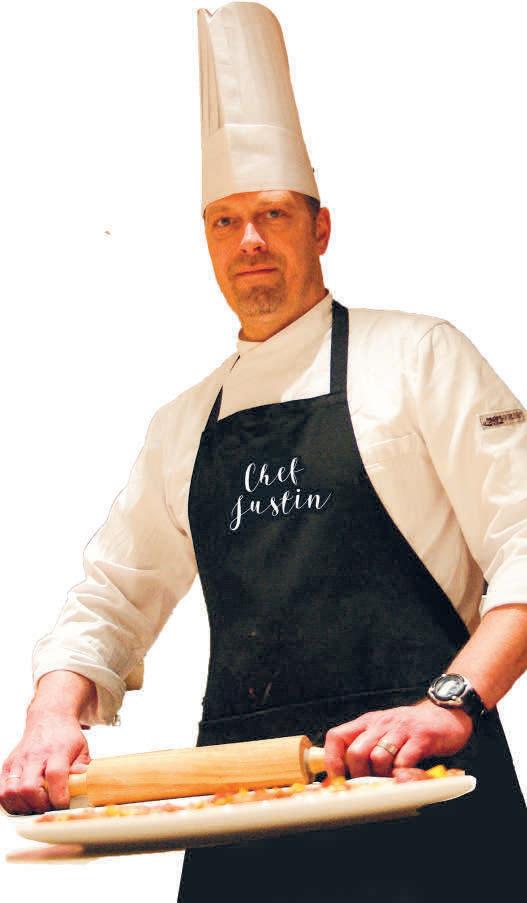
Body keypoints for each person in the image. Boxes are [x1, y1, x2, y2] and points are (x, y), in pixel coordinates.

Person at [1, 3, 526, 898]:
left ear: (319, 228)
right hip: (246, 813)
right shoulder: (184, 422)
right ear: (206, 239)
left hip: (427, 785)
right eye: (224, 220)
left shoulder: (419, 356)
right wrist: (52, 713)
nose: (248, 241)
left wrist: (449, 702)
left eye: (273, 214)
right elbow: (112, 591)